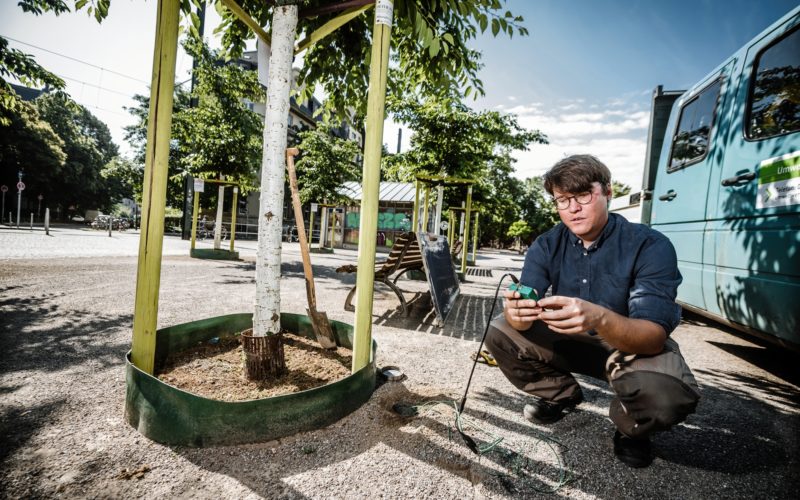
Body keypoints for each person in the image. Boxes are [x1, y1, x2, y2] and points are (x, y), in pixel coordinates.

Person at [485, 154, 700, 468]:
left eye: (583, 195)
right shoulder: (546, 244)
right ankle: (560, 395)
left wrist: (599, 316)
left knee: (666, 396)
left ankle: (631, 429)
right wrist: (517, 311)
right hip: (568, 340)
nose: (573, 208)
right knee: (499, 330)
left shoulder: (650, 245)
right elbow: (522, 308)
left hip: (630, 347)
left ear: (608, 192)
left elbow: (653, 336)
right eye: (562, 200)